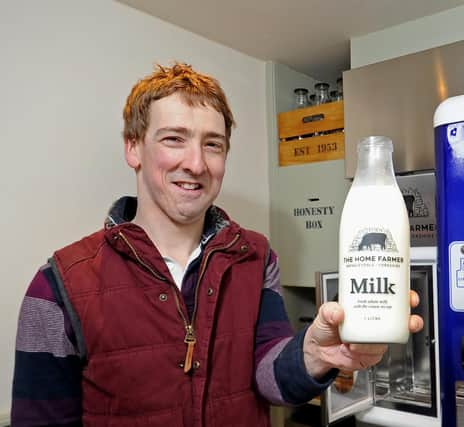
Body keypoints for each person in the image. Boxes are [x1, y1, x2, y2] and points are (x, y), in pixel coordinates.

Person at [11, 62, 424, 426]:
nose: (196, 163)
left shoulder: (256, 257)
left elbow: (268, 378)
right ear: (133, 148)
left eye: (213, 144)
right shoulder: (59, 285)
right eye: (174, 139)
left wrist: (317, 354)